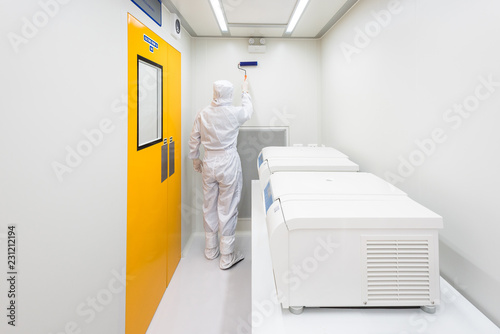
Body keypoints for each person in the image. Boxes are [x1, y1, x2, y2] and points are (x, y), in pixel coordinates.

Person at [189, 79, 253, 270]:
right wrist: (246, 92)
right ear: (229, 94)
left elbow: (194, 137)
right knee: (227, 207)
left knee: (209, 204)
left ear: (214, 93)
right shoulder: (234, 113)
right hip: (228, 163)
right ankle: (227, 257)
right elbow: (248, 111)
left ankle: (211, 250)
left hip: (209, 163)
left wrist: (195, 158)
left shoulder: (203, 113)